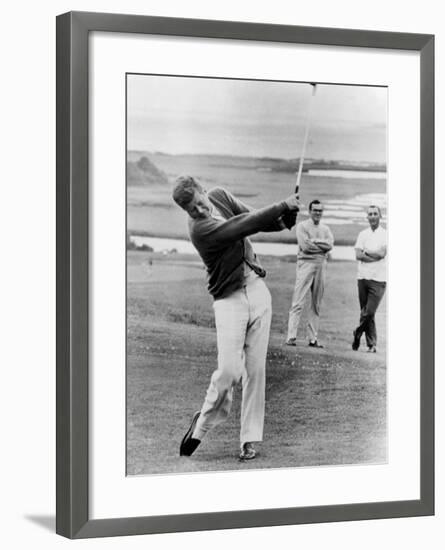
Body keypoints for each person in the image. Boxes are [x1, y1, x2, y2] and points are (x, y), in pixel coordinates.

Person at [172, 176, 300, 460]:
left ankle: (249, 440)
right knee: (229, 371)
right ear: (187, 212)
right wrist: (281, 204)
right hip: (229, 300)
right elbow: (241, 226)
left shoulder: (219, 195)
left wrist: (283, 220)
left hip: (257, 291)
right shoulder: (201, 230)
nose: (201, 211)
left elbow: (250, 216)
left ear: (204, 191)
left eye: (201, 203)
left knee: (256, 371)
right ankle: (201, 426)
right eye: (193, 210)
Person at [286, 199, 334, 348]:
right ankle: (291, 337)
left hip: (321, 266)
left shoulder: (325, 229)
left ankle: (312, 339)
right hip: (306, 264)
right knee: (298, 301)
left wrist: (315, 241)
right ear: (309, 211)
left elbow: (330, 244)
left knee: (316, 303)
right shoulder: (302, 226)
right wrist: (321, 246)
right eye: (315, 210)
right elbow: (305, 246)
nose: (318, 213)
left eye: (320, 210)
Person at [352, 205, 387, 353]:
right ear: (367, 217)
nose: (372, 216)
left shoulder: (386, 234)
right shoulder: (362, 234)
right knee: (366, 312)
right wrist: (372, 255)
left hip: (378, 279)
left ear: (380, 216)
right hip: (362, 278)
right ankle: (372, 345)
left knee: (369, 311)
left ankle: (357, 332)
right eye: (370, 214)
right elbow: (358, 255)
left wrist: (367, 252)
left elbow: (381, 254)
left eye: (375, 214)